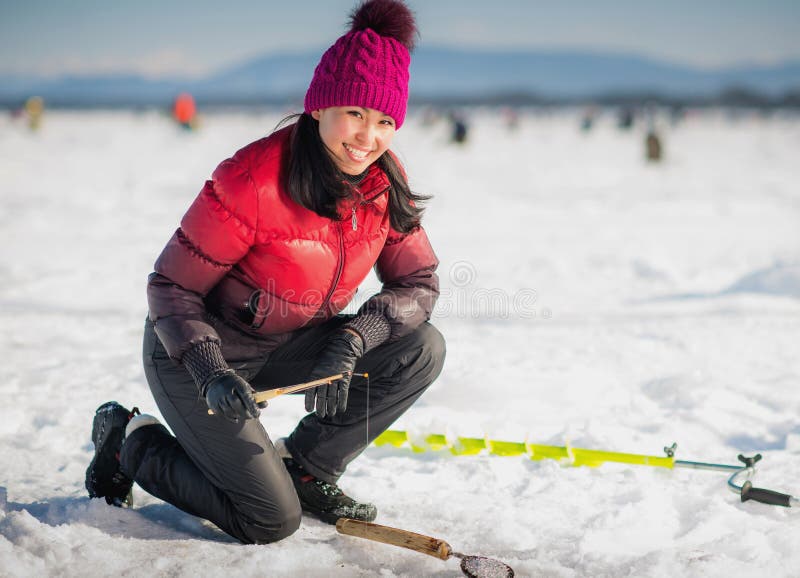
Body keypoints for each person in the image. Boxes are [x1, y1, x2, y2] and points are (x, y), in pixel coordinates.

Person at [85, 0, 445, 545]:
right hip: (195, 359)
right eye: (355, 113)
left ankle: (306, 469)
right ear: (320, 106)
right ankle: (129, 444)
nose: (367, 138)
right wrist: (209, 370)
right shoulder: (252, 179)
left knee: (422, 346)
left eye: (385, 121)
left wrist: (353, 337)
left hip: (286, 348)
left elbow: (417, 285)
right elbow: (171, 287)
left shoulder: (381, 186)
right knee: (268, 521)